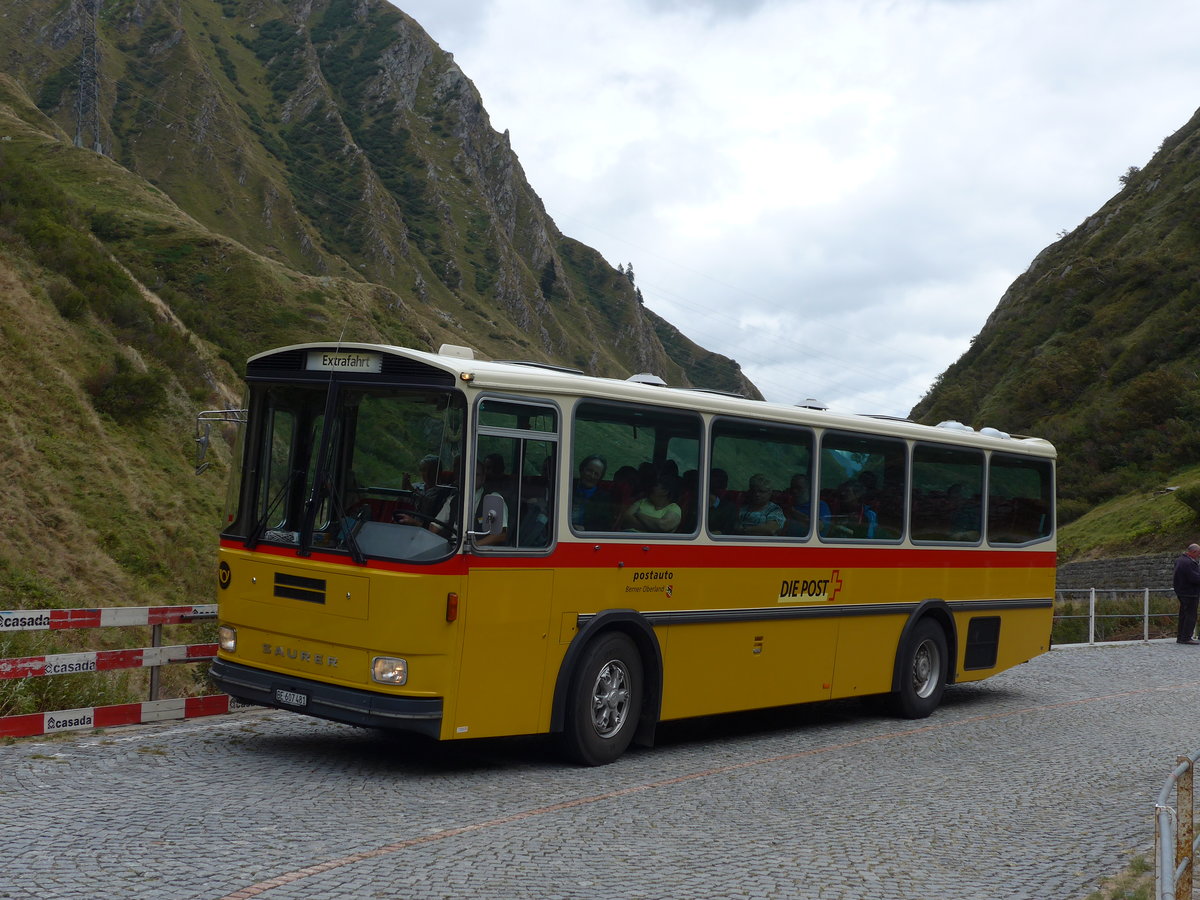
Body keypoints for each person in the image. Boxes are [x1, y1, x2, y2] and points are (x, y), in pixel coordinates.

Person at [572, 454, 614, 531]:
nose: (592, 476)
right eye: (589, 471)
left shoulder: (604, 499)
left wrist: (585, 529)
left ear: (600, 478)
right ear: (582, 469)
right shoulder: (568, 485)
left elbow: (605, 526)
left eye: (596, 474)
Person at [1173, 543, 1200, 644]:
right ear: (1193, 552)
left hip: (1181, 591)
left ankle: (1181, 636)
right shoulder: (1189, 563)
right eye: (1198, 553)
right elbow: (1194, 578)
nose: (1199, 555)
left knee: (1183, 615)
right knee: (1190, 615)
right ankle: (1186, 637)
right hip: (1190, 592)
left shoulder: (1180, 560)